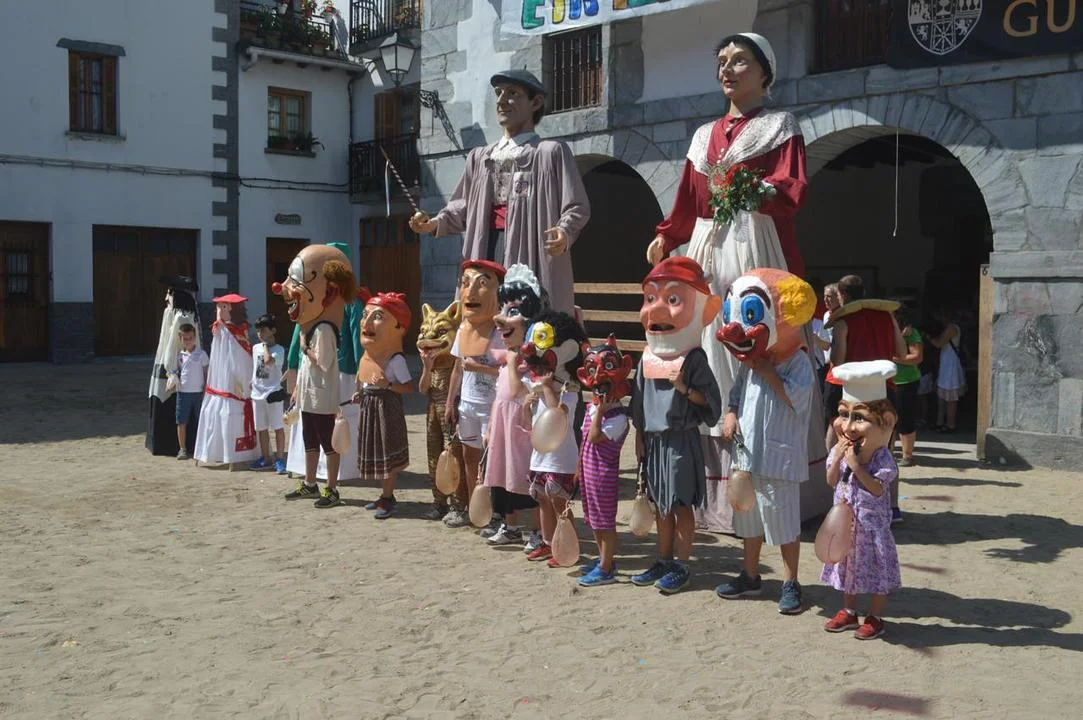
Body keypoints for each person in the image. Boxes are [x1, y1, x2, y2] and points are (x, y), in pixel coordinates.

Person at [645, 33, 814, 534]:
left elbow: (791, 187)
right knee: (703, 338)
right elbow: (687, 198)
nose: (728, 69)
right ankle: (706, 484)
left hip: (754, 239)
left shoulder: (780, 126)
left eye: (741, 61)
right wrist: (666, 235)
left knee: (756, 331)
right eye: (722, 61)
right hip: (706, 244)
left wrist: (757, 191)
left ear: (765, 73)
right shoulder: (703, 136)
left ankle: (764, 478)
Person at [408, 70, 590, 315]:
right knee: (483, 311)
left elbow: (576, 205)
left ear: (536, 102)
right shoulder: (480, 157)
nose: (502, 100)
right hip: (485, 246)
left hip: (530, 248)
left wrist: (563, 230)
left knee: (526, 314)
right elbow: (463, 205)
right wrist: (434, 223)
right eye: (498, 93)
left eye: (512, 93)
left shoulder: (550, 153)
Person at [713, 269, 817, 615]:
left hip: (779, 457)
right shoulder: (750, 363)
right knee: (749, 520)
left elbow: (798, 399)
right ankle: (751, 575)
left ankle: (791, 582)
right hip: (747, 455)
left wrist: (770, 374)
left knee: (784, 522)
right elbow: (736, 394)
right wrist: (731, 414)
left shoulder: (798, 361)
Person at [630, 258, 723, 594]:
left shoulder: (694, 358)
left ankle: (682, 565)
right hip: (654, 441)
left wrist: (684, 388)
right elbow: (639, 400)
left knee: (681, 503)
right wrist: (640, 436)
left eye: (672, 299)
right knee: (660, 503)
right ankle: (663, 559)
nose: (656, 310)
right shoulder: (647, 356)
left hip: (681, 439)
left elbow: (711, 403)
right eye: (650, 298)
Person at [821, 360, 902, 641]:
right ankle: (849, 610)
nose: (848, 426)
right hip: (847, 528)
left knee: (878, 572)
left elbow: (878, 489)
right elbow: (831, 480)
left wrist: (856, 466)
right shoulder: (839, 450)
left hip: (872, 528)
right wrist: (838, 459)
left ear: (886, 422)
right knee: (848, 569)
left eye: (859, 418)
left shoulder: (882, 458)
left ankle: (875, 616)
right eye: (843, 415)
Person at [274, 244, 357, 508]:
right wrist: (298, 389)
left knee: (328, 444)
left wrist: (305, 348)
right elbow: (307, 369)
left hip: (322, 399)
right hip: (310, 398)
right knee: (310, 442)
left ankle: (331, 488)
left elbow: (323, 361)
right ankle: (310, 483)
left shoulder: (324, 330)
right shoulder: (311, 328)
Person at [481, 265, 548, 547]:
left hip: (522, 429)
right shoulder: (508, 355)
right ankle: (509, 527)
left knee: (525, 479)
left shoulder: (533, 361)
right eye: (501, 309)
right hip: (503, 429)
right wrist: (490, 427)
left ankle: (537, 530)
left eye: (511, 312)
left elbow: (522, 392)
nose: (499, 318)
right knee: (503, 478)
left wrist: (511, 364)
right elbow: (500, 396)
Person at [520, 311, 588, 565]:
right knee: (543, 501)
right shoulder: (541, 390)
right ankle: (548, 543)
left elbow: (557, 415)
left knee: (560, 505)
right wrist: (526, 406)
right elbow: (533, 424)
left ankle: (566, 548)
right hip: (541, 456)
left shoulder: (569, 392)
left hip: (560, 458)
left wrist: (548, 388)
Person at [444, 260, 506, 529]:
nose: (470, 291)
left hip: (491, 406)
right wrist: (450, 402)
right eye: (465, 283)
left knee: (491, 461)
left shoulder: (502, 333)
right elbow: (458, 368)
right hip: (468, 404)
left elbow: (510, 372)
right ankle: (475, 510)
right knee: (470, 458)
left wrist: (479, 367)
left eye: (481, 284)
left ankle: (495, 513)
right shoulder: (463, 330)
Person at [823, 275, 906, 450]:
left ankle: (832, 466)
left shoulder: (843, 321)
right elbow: (902, 353)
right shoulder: (887, 317)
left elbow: (837, 361)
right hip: (882, 385)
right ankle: (886, 467)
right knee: (884, 431)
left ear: (842, 294)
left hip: (848, 387)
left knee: (837, 428)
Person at [575, 336, 633, 588]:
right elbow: (584, 440)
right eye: (592, 370)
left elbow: (594, 436)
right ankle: (602, 560)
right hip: (588, 473)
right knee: (593, 520)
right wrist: (578, 468)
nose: (598, 375)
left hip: (603, 477)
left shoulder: (618, 418)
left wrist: (599, 412)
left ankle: (606, 567)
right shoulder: (591, 408)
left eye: (607, 367)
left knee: (605, 523)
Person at [354, 292, 415, 519]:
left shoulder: (396, 360)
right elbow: (365, 378)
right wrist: (360, 392)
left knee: (388, 456)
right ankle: (384, 495)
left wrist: (387, 385)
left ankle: (387, 498)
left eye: (377, 316)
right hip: (370, 406)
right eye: (365, 315)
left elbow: (408, 387)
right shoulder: (368, 356)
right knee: (378, 455)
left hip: (386, 408)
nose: (367, 322)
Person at [194, 294, 259, 466]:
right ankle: (215, 451)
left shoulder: (237, 331)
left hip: (234, 383)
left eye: (223, 307)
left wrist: (238, 378)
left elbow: (240, 358)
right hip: (219, 382)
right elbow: (218, 356)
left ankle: (234, 454)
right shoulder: (220, 329)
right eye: (218, 307)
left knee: (232, 410)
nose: (219, 311)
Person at [417, 300, 466, 521]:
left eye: (438, 332)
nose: (428, 337)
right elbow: (422, 389)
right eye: (424, 331)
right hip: (432, 413)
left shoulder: (456, 362)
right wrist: (427, 368)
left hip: (451, 412)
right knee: (433, 456)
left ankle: (458, 504)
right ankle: (438, 502)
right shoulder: (433, 364)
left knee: (452, 457)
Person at [148, 275, 201, 456]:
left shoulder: (181, 317)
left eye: (169, 293)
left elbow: (174, 347)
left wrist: (172, 371)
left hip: (180, 374)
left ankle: (179, 445)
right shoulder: (175, 314)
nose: (166, 298)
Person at [249, 314, 287, 472]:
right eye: (258, 331)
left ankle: (280, 459)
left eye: (263, 330)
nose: (260, 334)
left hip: (273, 393)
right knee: (261, 428)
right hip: (257, 393)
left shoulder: (279, 350)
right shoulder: (255, 348)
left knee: (277, 427)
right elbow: (257, 368)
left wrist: (265, 346)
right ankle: (266, 457)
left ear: (273, 331)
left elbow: (268, 361)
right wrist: (252, 381)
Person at [172, 323, 208, 461]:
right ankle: (182, 449)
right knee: (182, 422)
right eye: (185, 338)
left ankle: (202, 448)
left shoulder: (202, 354)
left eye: (190, 338)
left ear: (195, 337)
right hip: (182, 393)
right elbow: (176, 372)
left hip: (198, 393)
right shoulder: (179, 355)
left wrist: (205, 389)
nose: (188, 341)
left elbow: (206, 373)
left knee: (201, 421)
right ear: (180, 338)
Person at [928, 307, 965, 433]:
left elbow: (939, 343)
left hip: (951, 365)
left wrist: (928, 337)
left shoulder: (952, 328)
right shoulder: (950, 328)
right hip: (946, 364)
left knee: (950, 398)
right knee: (942, 397)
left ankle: (950, 425)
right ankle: (940, 423)